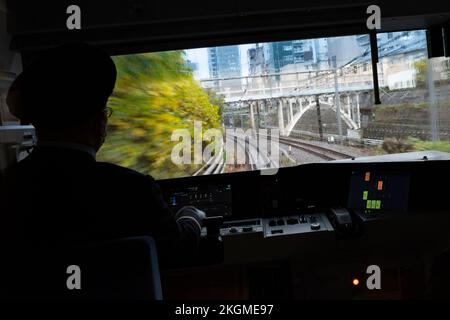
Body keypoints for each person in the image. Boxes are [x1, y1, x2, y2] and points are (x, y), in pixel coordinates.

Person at [0, 43, 205, 281]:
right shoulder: (132, 190)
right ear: (99, 122)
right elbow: (177, 253)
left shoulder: (7, 187)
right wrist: (190, 216)